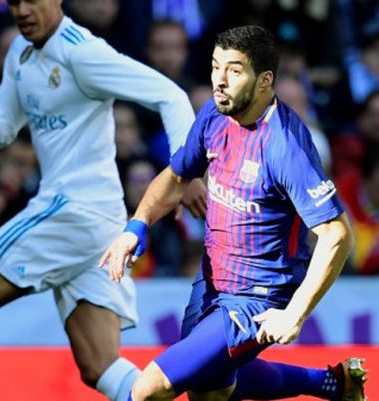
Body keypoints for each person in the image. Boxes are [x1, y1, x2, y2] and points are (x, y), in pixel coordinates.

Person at [0, 0, 199, 401]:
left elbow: (170, 95)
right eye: (13, 2)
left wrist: (186, 172)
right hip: (98, 224)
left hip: (71, 209)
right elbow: (0, 131)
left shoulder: (83, 53)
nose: (22, 12)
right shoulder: (20, 51)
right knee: (101, 367)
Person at [100, 25, 366, 401]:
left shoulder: (285, 146)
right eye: (215, 66)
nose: (219, 81)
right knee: (210, 389)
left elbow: (337, 234)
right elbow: (177, 176)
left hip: (258, 294)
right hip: (212, 278)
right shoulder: (214, 114)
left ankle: (328, 384)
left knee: (147, 389)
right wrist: (137, 225)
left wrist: (295, 315)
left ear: (264, 81)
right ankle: (332, 384)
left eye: (234, 70)